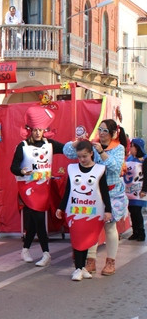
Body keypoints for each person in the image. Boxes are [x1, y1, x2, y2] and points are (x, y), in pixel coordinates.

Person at [63, 119, 128, 275]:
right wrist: (77, 142)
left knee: (109, 226)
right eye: (100, 129)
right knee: (91, 224)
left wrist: (101, 152)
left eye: (105, 130)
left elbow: (115, 167)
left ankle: (110, 261)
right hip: (92, 193)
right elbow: (68, 152)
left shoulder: (118, 148)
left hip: (112, 193)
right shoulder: (92, 144)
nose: (101, 133)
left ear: (113, 133)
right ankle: (90, 260)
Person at [10, 106, 64, 267]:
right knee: (39, 219)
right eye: (35, 130)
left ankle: (25, 249)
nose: (38, 133)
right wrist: (21, 170)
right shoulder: (23, 146)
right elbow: (12, 167)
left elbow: (66, 149)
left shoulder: (50, 144)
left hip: (43, 188)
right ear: (30, 130)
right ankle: (46, 253)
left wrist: (79, 144)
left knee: (35, 220)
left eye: (41, 130)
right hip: (28, 189)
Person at [56, 140, 112, 281]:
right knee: (77, 239)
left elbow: (104, 192)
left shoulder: (100, 169)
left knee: (87, 239)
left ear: (91, 154)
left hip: (92, 212)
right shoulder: (72, 169)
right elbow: (68, 190)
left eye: (85, 156)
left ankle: (82, 268)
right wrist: (61, 207)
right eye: (79, 156)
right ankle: (78, 268)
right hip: (75, 211)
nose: (82, 159)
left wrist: (108, 210)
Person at [124, 138, 146, 241]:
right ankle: (135, 232)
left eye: (132, 146)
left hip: (139, 190)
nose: (130, 148)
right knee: (132, 211)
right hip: (129, 190)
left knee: (137, 212)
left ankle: (141, 233)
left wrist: (144, 190)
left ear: (137, 148)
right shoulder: (129, 159)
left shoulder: (144, 159)